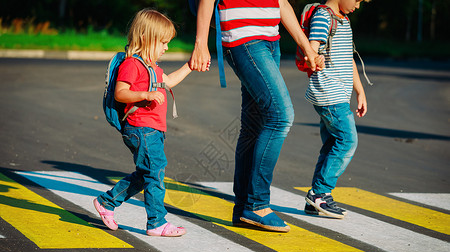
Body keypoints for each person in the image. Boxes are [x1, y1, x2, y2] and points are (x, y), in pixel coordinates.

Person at [190, 0, 324, 232]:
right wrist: (201, 42)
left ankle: (243, 208)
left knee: (254, 125)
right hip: (243, 37)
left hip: (271, 40)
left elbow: (281, 2)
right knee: (280, 116)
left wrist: (306, 46)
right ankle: (257, 203)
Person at [93, 9, 204, 237]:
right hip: (140, 128)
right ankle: (156, 222)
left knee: (147, 174)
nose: (166, 47)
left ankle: (107, 203)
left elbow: (169, 81)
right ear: (146, 38)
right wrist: (145, 94)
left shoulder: (152, 67)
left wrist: (190, 65)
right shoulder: (132, 65)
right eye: (163, 42)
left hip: (152, 130)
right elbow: (120, 93)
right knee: (155, 173)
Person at [302, 0, 369, 218]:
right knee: (347, 140)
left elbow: (348, 59)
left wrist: (360, 91)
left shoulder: (343, 20)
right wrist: (314, 57)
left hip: (336, 95)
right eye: (357, 0)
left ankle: (315, 198)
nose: (358, 6)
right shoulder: (323, 17)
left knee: (332, 143)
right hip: (329, 95)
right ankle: (320, 193)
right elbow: (312, 48)